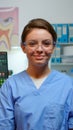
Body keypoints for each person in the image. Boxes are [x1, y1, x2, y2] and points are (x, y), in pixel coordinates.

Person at [0, 18, 73, 130]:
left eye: (46, 43)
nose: (39, 49)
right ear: (23, 47)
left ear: (53, 47)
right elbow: (5, 126)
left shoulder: (68, 86)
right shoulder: (10, 86)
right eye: (32, 44)